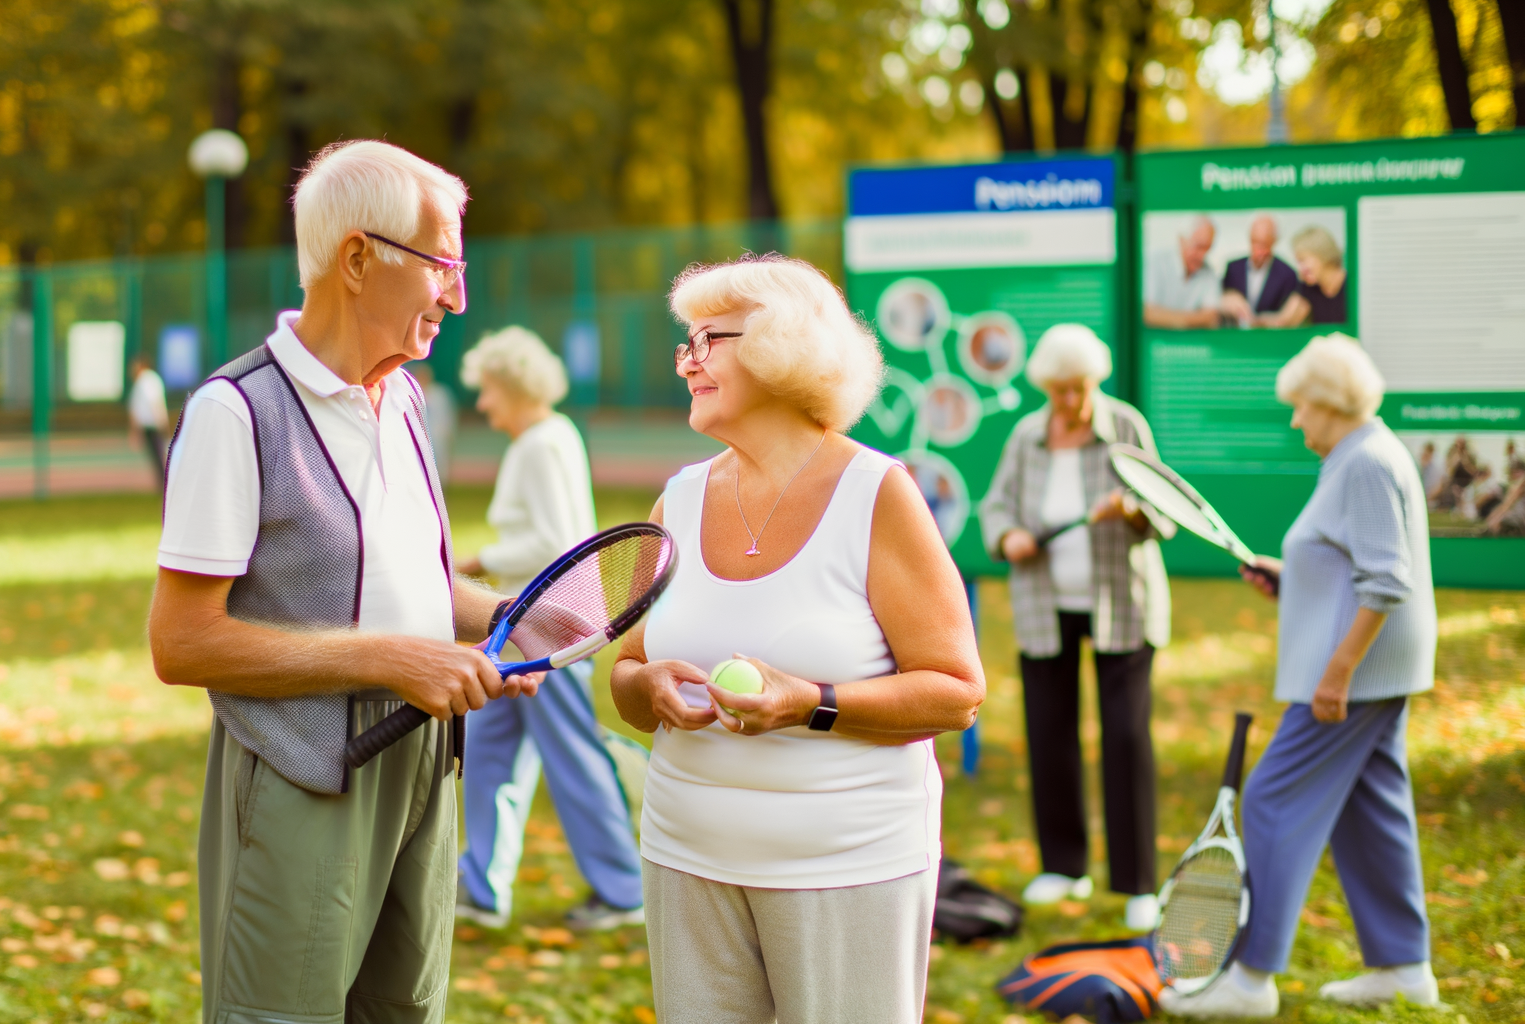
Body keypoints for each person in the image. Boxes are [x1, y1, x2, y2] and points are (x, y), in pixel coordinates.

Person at [146, 140, 543, 1024]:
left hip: (425, 763)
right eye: (444, 264)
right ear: (359, 258)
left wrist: (512, 616)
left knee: (408, 1012)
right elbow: (181, 643)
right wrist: (394, 659)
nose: (457, 294)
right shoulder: (234, 412)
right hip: (305, 771)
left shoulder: (401, 397)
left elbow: (423, 585)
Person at [611, 254, 986, 1024]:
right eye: (685, 342)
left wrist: (809, 703)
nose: (687, 361)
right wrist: (647, 689)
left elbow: (955, 692)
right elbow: (626, 670)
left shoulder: (877, 493)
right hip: (686, 855)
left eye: (707, 340)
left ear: (783, 347)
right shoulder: (677, 499)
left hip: (846, 865)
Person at [1162, 334, 1438, 1018]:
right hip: (1373, 675)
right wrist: (1293, 580)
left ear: (1329, 403)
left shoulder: (1366, 460)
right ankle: (1405, 968)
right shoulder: (1356, 455)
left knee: (1271, 801)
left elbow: (1386, 581)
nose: (1294, 421)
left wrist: (1337, 673)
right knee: (1372, 810)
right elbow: (1352, 566)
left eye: (1300, 408)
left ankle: (1250, 980)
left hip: (1354, 679)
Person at [977, 324, 1174, 933]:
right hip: (1045, 604)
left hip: (1122, 604)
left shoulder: (1126, 427)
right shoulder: (1027, 436)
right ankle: (1063, 866)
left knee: (1125, 737)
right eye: (1060, 390)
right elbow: (996, 505)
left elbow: (1167, 511)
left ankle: (1138, 882)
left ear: (1096, 380)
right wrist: (1006, 535)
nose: (1072, 401)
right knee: (1049, 733)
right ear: (1045, 387)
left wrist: (1133, 508)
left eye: (1080, 388)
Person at [450, 325, 644, 931]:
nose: (481, 404)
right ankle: (481, 885)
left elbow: (557, 542)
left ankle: (622, 889)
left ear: (510, 385)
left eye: (486, 390)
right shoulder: (542, 439)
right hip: (516, 627)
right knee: (487, 754)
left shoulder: (542, 442)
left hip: (548, 626)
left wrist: (475, 561)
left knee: (571, 754)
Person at [1142, 216, 1222, 330]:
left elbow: (1211, 317)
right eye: (1198, 247)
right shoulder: (1155, 262)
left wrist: (1165, 317)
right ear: (1182, 240)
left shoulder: (1209, 273)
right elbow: (1146, 313)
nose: (1202, 256)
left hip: (1192, 345)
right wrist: (1195, 320)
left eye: (1207, 249)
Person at [1219, 215, 1300, 326]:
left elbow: (1287, 316)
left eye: (1264, 244)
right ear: (1250, 238)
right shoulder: (1233, 268)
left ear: (1274, 241)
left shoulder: (1287, 274)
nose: (1259, 250)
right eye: (1255, 242)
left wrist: (1265, 321)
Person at [1265, 226, 1348, 327]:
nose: (1300, 268)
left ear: (1322, 254)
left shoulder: (1352, 285)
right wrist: (1253, 319)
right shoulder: (1307, 288)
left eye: (1302, 260)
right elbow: (1283, 321)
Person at [409, 360, 456, 484]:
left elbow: (448, 420)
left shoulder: (440, 394)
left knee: (438, 477)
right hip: (418, 442)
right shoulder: (409, 396)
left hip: (437, 441)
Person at [128, 355, 170, 488]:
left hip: (153, 424)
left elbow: (152, 403)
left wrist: (161, 421)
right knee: (159, 455)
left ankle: (164, 484)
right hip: (153, 424)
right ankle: (163, 484)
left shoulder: (146, 380)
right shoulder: (147, 380)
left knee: (160, 455)